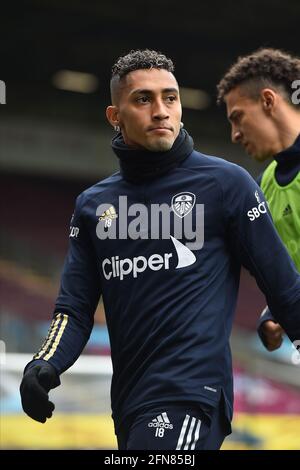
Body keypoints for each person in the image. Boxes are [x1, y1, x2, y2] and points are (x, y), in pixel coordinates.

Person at [20, 49, 300, 450]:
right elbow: (74, 309)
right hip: (130, 404)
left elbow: (285, 288)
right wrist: (44, 362)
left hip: (192, 395)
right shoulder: (93, 206)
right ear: (115, 117)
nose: (161, 111)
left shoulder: (228, 185)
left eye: (170, 98)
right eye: (143, 99)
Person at [217, 48, 300, 352]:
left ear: (268, 100)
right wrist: (274, 313)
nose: (235, 135)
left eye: (238, 118)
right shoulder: (263, 184)